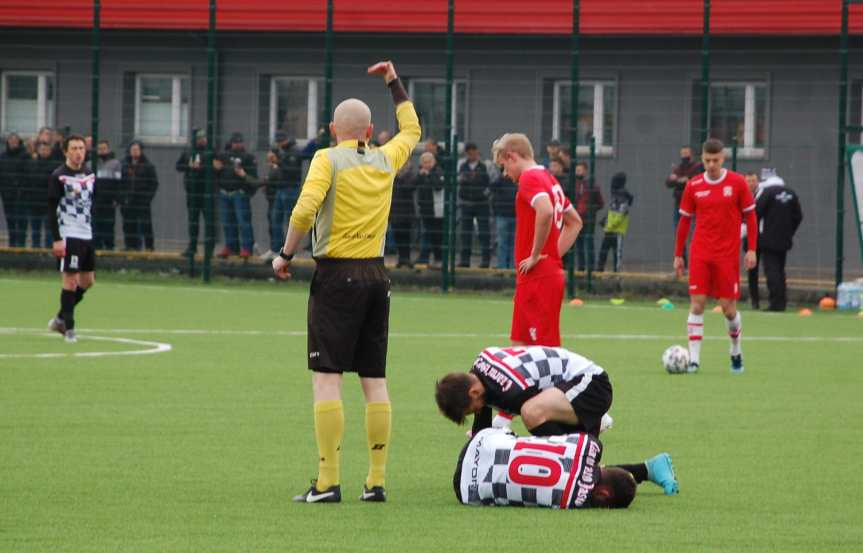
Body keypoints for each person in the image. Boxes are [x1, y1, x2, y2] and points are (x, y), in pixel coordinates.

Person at [271, 60, 421, 504]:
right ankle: (375, 482)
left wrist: (285, 255)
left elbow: (304, 210)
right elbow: (411, 129)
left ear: (334, 128)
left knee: (327, 377)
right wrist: (394, 81)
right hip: (377, 275)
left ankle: (327, 481)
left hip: (337, 275)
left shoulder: (326, 159)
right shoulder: (385, 157)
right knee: (375, 379)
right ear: (371, 129)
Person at [673, 138, 757, 374]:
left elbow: (750, 217)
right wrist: (678, 254)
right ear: (702, 158)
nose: (711, 165)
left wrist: (751, 249)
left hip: (727, 255)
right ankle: (694, 360)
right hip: (700, 252)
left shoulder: (737, 183)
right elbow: (684, 222)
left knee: (728, 309)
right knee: (697, 305)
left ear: (723, 159)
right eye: (707, 160)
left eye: (715, 160)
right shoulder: (694, 185)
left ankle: (736, 350)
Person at [492, 133, 582, 347]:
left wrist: (535, 256)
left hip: (538, 279)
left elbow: (546, 211)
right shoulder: (549, 178)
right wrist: (551, 255)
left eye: (504, 166)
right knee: (521, 349)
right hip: (538, 276)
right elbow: (575, 222)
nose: (505, 174)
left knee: (541, 355)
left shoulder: (529, 178)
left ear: (512, 156)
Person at [454, 427, 679, 509]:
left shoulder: (590, 445)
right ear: (603, 494)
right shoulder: (578, 503)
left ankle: (647, 469)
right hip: (466, 488)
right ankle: (647, 469)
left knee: (562, 445)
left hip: (482, 441)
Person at [435, 345, 613, 442]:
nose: (476, 411)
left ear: (473, 392)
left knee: (532, 413)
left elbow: (544, 419)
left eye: (471, 410)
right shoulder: (477, 375)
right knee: (533, 411)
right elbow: (481, 431)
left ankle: (576, 455)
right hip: (568, 385)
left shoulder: (511, 390)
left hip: (592, 385)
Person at [46, 135, 96, 344]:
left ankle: (59, 318)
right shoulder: (59, 176)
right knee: (70, 280)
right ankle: (70, 329)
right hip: (69, 234)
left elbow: (90, 203)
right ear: (65, 152)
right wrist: (57, 239)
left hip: (86, 234)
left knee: (87, 281)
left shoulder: (89, 174)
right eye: (74, 148)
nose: (78, 152)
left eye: (81, 148)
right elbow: (51, 208)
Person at [756, 170, 803, 312]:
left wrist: (756, 233)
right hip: (784, 239)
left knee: (772, 271)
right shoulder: (791, 193)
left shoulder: (767, 193)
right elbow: (798, 216)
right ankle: (781, 302)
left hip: (768, 239)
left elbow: (756, 213)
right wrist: (790, 231)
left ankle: (775, 303)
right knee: (780, 270)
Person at [261, 132, 303, 262]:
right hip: (280, 189)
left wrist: (278, 162)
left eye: (280, 142)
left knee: (290, 222)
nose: (278, 145)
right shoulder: (281, 151)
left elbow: (292, 171)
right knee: (275, 220)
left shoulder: (294, 151)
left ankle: (290, 252)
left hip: (290, 189)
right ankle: (276, 249)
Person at [215, 133, 257, 258]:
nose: (237, 144)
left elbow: (254, 177)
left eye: (239, 142)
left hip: (239, 193)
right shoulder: (223, 156)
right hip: (224, 193)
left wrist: (247, 190)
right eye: (235, 142)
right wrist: (215, 168)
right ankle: (231, 247)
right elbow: (215, 171)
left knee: (243, 222)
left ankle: (247, 248)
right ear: (231, 143)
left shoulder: (248, 157)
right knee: (227, 222)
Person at [666, 146, 703, 268]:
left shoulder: (697, 167)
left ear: (691, 155)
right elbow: (669, 182)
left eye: (686, 154)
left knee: (694, 234)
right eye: (682, 154)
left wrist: (681, 180)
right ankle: (683, 264)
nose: (684, 157)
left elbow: (694, 180)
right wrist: (682, 180)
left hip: (694, 205)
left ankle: (695, 263)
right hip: (679, 204)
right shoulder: (678, 168)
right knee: (679, 234)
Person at [457, 142, 492, 268]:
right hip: (466, 203)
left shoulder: (485, 166)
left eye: (474, 151)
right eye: (469, 152)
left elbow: (490, 182)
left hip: (482, 204)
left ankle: (485, 261)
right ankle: (464, 261)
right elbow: (458, 181)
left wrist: (484, 194)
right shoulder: (462, 166)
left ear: (477, 152)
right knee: (465, 233)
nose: (472, 154)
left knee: (484, 233)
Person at [175, 130, 209, 257]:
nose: (203, 140)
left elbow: (216, 167)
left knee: (209, 222)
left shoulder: (210, 151)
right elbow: (178, 166)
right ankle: (192, 247)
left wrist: (202, 167)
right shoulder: (188, 152)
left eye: (204, 137)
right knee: (193, 221)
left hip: (206, 193)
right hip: (192, 193)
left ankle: (208, 249)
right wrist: (189, 165)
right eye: (200, 138)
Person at [120, 141, 159, 251]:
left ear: (141, 151)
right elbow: (120, 182)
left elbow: (154, 184)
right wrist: (122, 197)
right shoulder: (124, 164)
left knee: (145, 224)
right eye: (133, 150)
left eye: (137, 150)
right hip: (128, 200)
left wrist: (147, 198)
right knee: (128, 224)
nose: (135, 152)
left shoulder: (148, 166)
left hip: (142, 200)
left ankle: (149, 247)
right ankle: (130, 246)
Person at [596, 172, 634, 273]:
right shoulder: (615, 195)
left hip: (617, 231)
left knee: (616, 255)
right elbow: (611, 211)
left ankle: (617, 277)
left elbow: (621, 214)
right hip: (609, 229)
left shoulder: (623, 196)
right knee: (604, 253)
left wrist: (609, 224)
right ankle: (599, 272)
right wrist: (605, 220)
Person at [25, 141, 60, 248]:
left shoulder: (55, 165)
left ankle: (48, 251)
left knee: (49, 230)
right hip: (34, 202)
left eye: (46, 150)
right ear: (38, 151)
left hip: (49, 202)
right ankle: (35, 251)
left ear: (50, 151)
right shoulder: (32, 164)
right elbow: (29, 181)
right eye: (42, 149)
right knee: (35, 230)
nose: (44, 152)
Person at [414, 152, 445, 268]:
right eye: (424, 162)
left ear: (433, 162)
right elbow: (413, 185)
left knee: (437, 236)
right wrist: (420, 175)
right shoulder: (421, 173)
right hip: (425, 210)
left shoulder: (438, 171)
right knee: (428, 235)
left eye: (428, 162)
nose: (426, 165)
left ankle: (439, 259)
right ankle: (426, 258)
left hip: (437, 211)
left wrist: (428, 175)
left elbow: (438, 186)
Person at [90, 140, 122, 251]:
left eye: (104, 148)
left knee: (108, 225)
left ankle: (109, 247)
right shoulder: (91, 163)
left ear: (108, 149)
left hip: (109, 200)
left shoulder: (115, 164)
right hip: (95, 200)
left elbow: (119, 182)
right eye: (100, 148)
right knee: (96, 224)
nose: (102, 151)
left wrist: (116, 198)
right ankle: (97, 246)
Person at [1, 133, 32, 247]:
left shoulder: (25, 156)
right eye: (11, 140)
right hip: (7, 195)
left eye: (15, 140)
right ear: (8, 142)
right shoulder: (3, 157)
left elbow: (29, 175)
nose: (13, 142)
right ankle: (12, 245)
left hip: (22, 196)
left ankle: (21, 245)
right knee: (11, 221)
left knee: (22, 221)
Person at [572, 162, 604, 272]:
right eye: (576, 170)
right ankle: (581, 267)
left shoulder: (592, 186)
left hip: (589, 220)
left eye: (580, 170)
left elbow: (600, 203)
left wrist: (591, 210)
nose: (578, 173)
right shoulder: (573, 185)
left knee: (589, 243)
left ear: (585, 171)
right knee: (579, 244)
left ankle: (591, 267)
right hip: (576, 220)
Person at [390, 159, 416, 268]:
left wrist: (399, 177)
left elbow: (409, 188)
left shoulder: (410, 175)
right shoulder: (392, 175)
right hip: (395, 210)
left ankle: (407, 258)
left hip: (407, 211)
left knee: (406, 235)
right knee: (398, 236)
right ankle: (401, 258)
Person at [490, 167, 517, 269]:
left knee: (511, 243)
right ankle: (503, 267)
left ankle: (510, 267)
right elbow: (492, 189)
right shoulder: (499, 181)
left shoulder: (518, 180)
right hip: (504, 215)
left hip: (513, 215)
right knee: (503, 243)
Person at [742, 172, 761, 309]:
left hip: (765, 237)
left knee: (771, 268)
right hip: (748, 236)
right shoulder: (741, 196)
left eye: (753, 180)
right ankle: (754, 300)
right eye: (748, 181)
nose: (751, 184)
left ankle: (775, 299)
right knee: (752, 270)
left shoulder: (763, 195)